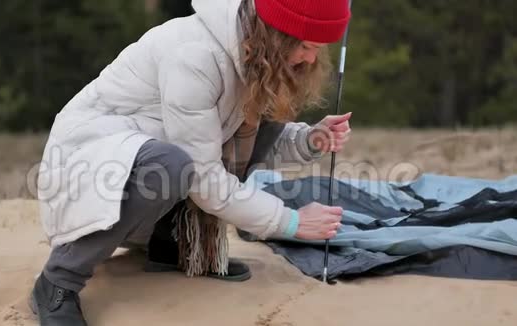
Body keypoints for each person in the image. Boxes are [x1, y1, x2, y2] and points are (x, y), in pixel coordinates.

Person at [30, 0, 352, 325]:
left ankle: (172, 245)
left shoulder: (251, 56)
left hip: (148, 176)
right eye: (308, 46)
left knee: (259, 118)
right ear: (278, 36)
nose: (311, 59)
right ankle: (58, 281)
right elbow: (204, 178)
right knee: (172, 165)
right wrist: (290, 221)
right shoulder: (195, 56)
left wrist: (308, 141)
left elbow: (233, 138)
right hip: (89, 172)